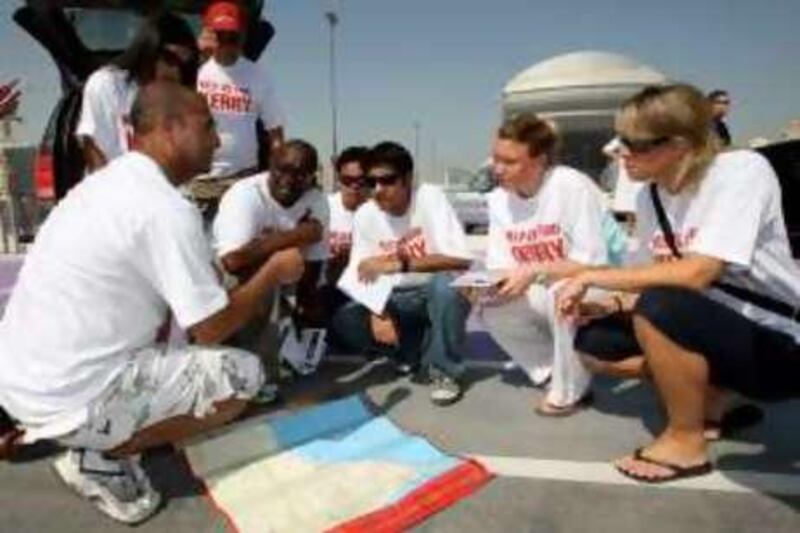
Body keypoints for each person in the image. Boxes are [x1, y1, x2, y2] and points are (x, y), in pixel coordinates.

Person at [0, 83, 302, 524]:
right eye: (208, 126)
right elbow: (211, 328)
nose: (217, 140)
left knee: (168, 350)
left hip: (19, 381)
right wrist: (274, 271)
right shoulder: (165, 208)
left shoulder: (100, 186)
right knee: (241, 377)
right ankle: (98, 455)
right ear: (170, 128)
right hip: (69, 394)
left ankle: (98, 432)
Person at [557, 83, 800, 483]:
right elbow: (644, 277)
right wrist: (606, 305)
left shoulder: (739, 171)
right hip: (714, 328)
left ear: (681, 144)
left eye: (634, 143)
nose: (619, 151)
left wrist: (590, 275)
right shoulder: (648, 198)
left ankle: (685, 441)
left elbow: (697, 273)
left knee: (661, 306)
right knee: (594, 341)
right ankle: (713, 397)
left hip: (776, 343)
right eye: (619, 138)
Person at [480, 113, 608, 416]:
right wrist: (483, 287)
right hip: (539, 285)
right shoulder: (499, 200)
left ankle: (570, 391)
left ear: (540, 160)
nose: (498, 169)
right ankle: (554, 372)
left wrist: (537, 270)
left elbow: (592, 262)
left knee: (561, 292)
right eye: (496, 158)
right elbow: (501, 263)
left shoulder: (570, 186)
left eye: (510, 162)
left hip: (594, 286)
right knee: (493, 309)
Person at [332, 142, 473, 405]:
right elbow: (358, 272)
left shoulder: (430, 198)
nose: (378, 190)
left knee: (448, 286)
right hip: (393, 298)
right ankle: (407, 353)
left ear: (408, 179)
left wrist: (400, 264)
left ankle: (445, 371)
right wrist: (378, 312)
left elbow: (460, 259)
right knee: (345, 319)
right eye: (371, 182)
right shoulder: (366, 213)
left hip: (429, 292)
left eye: (387, 181)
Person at [212, 139, 328, 384]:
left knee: (296, 281)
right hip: (222, 280)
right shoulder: (246, 195)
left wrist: (305, 319)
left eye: (299, 174)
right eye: (281, 170)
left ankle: (274, 358)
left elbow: (313, 269)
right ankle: (257, 373)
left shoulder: (316, 201)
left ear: (311, 177)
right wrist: (296, 235)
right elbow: (233, 262)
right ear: (269, 166)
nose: (287, 180)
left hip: (280, 277)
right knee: (266, 276)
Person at [76, 12, 199, 172]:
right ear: (149, 48)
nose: (175, 69)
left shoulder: (174, 97)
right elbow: (94, 148)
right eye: (170, 58)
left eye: (184, 64)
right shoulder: (107, 84)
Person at [195, 0, 285, 205]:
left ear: (243, 35)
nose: (227, 44)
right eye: (221, 36)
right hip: (199, 179)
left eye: (233, 37)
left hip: (243, 179)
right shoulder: (192, 72)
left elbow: (276, 134)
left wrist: (276, 177)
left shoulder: (258, 75)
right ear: (208, 34)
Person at [323, 146, 372, 333]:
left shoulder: (382, 213)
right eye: (347, 180)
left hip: (365, 292)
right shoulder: (322, 207)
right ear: (338, 179)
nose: (354, 186)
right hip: (326, 289)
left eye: (361, 181)